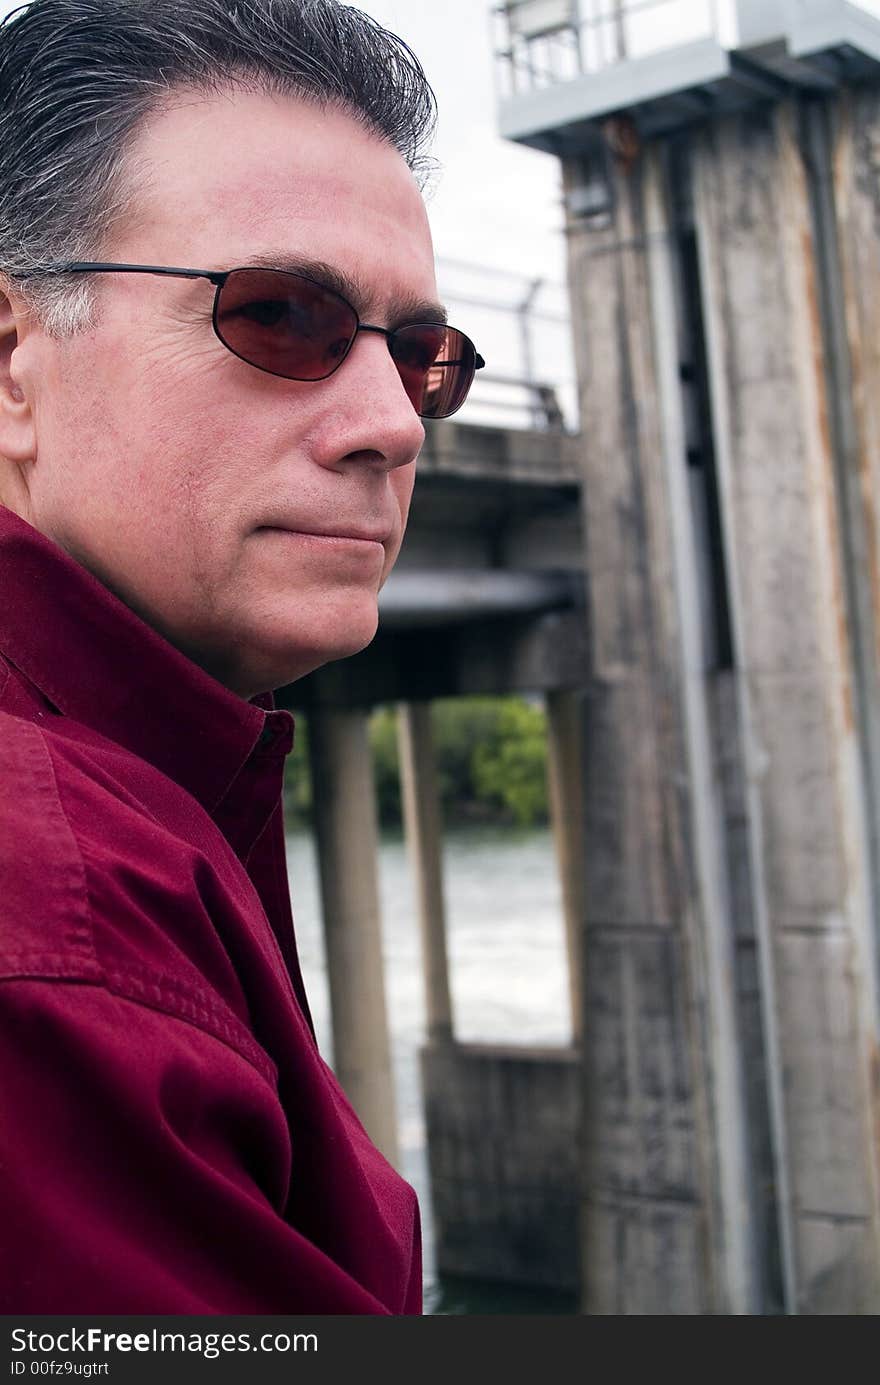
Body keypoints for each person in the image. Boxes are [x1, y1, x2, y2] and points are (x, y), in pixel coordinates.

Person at [0, 0, 483, 1313]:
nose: (391, 422)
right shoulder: (65, 939)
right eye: (281, 317)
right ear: (10, 364)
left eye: (425, 358)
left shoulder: (140, 807)